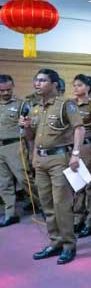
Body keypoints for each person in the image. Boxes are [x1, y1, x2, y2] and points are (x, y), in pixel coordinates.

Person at [21, 69, 85, 265]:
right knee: (47, 204)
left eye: (42, 80)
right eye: (36, 80)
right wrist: (26, 127)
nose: (37, 84)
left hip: (59, 159)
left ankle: (68, 245)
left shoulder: (66, 105)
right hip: (40, 161)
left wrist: (75, 154)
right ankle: (55, 242)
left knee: (61, 204)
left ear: (54, 84)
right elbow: (31, 138)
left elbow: (79, 128)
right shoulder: (35, 108)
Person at [0, 74, 39, 227]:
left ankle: (41, 203)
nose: (5, 93)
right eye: (1, 90)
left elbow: (30, 128)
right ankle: (11, 214)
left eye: (8, 89)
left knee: (24, 179)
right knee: (3, 183)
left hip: (15, 146)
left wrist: (30, 151)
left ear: (13, 86)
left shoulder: (22, 104)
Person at [72, 74, 91, 238]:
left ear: (88, 87)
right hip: (75, 148)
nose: (76, 88)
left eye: (79, 85)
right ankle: (78, 218)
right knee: (77, 185)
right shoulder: (71, 105)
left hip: (89, 146)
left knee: (90, 187)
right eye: (74, 85)